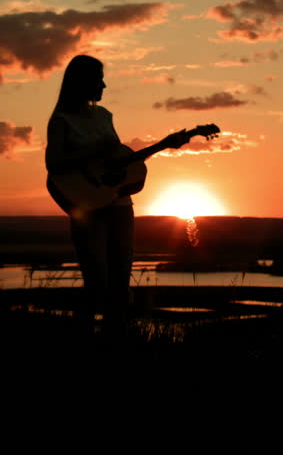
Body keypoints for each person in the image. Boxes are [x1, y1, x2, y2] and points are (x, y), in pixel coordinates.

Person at [45, 54, 189, 339]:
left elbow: (114, 161)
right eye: (99, 78)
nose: (104, 85)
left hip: (121, 207)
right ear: (82, 82)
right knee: (97, 285)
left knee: (120, 287)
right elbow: (54, 166)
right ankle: (80, 339)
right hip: (88, 210)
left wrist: (163, 146)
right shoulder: (61, 121)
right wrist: (94, 151)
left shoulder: (103, 116)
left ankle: (116, 342)